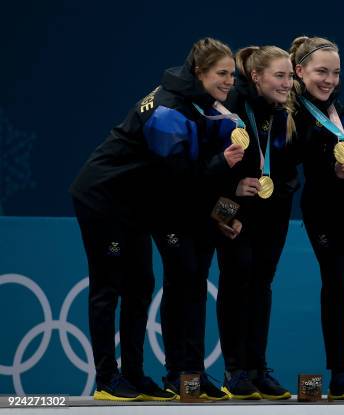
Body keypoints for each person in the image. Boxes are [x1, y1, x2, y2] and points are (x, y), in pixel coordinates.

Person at [70, 37, 243, 401]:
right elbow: (178, 176)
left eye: (232, 74)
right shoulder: (167, 111)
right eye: (221, 74)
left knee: (141, 284)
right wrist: (221, 168)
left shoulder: (198, 101)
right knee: (109, 286)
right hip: (104, 196)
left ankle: (134, 375)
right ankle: (106, 379)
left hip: (137, 202)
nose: (229, 81)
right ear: (199, 72)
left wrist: (224, 206)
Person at [287, 35, 344, 400]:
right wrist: (331, 170)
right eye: (321, 71)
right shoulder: (293, 114)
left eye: (335, 73)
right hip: (323, 213)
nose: (329, 80)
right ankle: (338, 372)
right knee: (337, 283)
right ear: (300, 71)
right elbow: (296, 157)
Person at [214, 45, 297, 400]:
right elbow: (207, 167)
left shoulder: (283, 114)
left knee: (262, 285)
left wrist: (277, 195)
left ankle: (258, 367)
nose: (287, 83)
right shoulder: (230, 108)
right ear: (256, 76)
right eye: (280, 76)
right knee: (236, 282)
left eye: (291, 76)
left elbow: (290, 170)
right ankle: (234, 370)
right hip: (234, 214)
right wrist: (226, 204)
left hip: (272, 217)